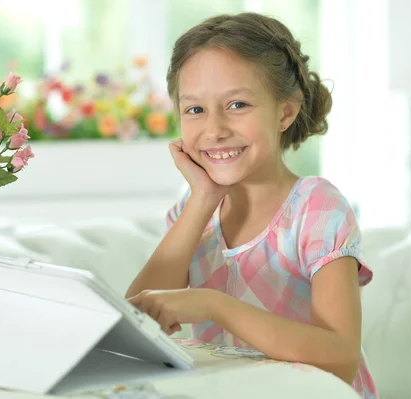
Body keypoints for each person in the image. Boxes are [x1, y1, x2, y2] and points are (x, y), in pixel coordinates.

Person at [125, 13, 378, 398]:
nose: (214, 129)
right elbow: (135, 324)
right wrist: (204, 199)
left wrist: (214, 306)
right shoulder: (191, 213)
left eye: (237, 104)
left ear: (285, 112)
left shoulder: (317, 209)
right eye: (195, 110)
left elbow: (340, 359)